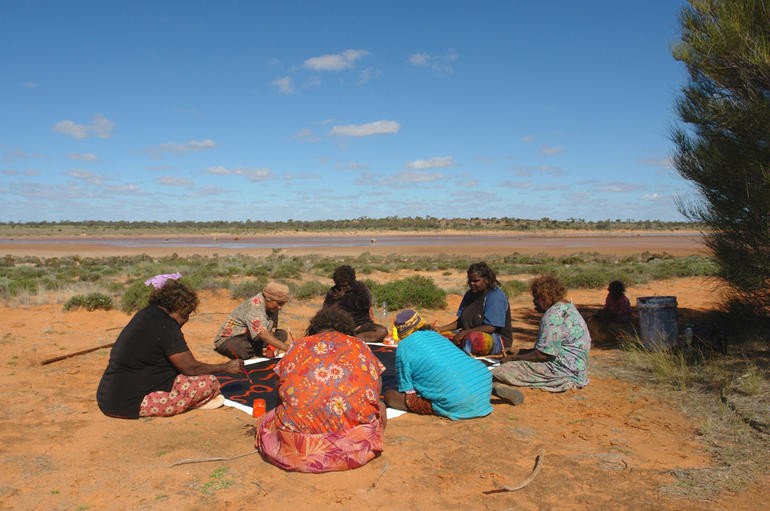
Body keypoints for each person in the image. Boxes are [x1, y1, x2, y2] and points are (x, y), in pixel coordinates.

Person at [255, 308, 387, 473]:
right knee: (380, 406)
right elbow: (376, 388)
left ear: (315, 327)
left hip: (297, 448)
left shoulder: (297, 346)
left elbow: (279, 386)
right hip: (357, 445)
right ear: (346, 328)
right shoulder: (359, 345)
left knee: (271, 416)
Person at [96, 276, 243, 419]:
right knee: (210, 383)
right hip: (129, 403)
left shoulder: (146, 314)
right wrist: (225, 367)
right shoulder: (166, 325)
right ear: (179, 308)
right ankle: (190, 403)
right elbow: (191, 368)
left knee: (188, 379)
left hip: (108, 395)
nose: (186, 320)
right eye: (186, 314)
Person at [383, 309, 495, 419]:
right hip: (483, 387)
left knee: (390, 395)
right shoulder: (436, 335)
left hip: (459, 402)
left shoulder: (404, 346)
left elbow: (407, 390)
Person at [491, 275, 591, 394]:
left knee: (499, 371)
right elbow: (549, 349)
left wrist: (514, 358)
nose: (534, 302)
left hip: (561, 372)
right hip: (576, 370)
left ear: (546, 297)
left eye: (537, 298)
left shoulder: (553, 316)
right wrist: (519, 351)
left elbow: (543, 355)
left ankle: (497, 387)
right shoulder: (568, 308)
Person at [436, 262, 513, 356]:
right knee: (439, 337)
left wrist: (465, 333)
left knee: (472, 339)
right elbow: (461, 321)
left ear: (487, 280)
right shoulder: (470, 294)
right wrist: (440, 329)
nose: (472, 284)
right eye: (470, 281)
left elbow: (491, 327)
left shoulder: (495, 296)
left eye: (476, 281)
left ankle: (466, 364)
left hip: (497, 339)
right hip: (468, 332)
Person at [214, 281, 291, 359]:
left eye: (283, 304)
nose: (280, 307)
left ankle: (262, 356)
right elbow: (262, 334)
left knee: (281, 334)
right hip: (231, 340)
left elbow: (271, 329)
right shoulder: (254, 307)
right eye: (279, 303)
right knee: (241, 347)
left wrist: (272, 347)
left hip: (252, 338)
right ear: (268, 299)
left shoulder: (273, 307)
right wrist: (287, 348)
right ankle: (252, 360)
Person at [322, 265, 387, 343]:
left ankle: (351, 340)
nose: (343, 288)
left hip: (362, 326)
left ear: (351, 282)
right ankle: (349, 340)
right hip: (341, 328)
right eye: (340, 286)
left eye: (346, 286)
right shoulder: (333, 292)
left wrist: (345, 298)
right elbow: (326, 312)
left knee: (382, 331)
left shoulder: (360, 288)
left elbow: (365, 304)